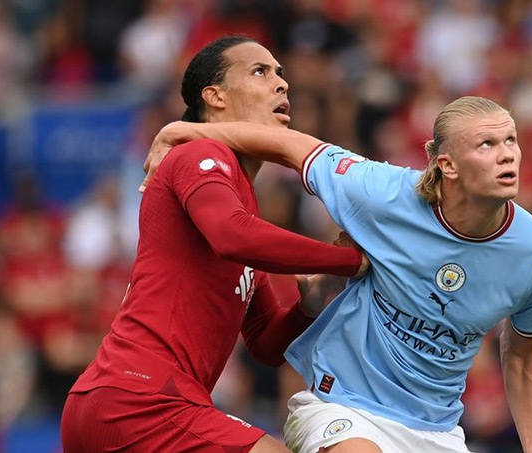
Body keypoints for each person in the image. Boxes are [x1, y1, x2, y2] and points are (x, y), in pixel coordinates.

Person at [142, 95, 532, 453]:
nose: (507, 153)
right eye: (487, 144)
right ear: (448, 165)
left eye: (511, 140)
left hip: (437, 430)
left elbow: (524, 353)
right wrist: (188, 132)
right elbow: (291, 146)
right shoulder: (382, 192)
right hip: (343, 406)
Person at [60, 36, 369, 453]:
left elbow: (265, 344)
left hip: (120, 399)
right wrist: (348, 259)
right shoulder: (199, 154)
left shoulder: (237, 202)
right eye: (260, 71)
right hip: (141, 399)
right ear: (215, 97)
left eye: (280, 73)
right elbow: (232, 235)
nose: (281, 83)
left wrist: (306, 309)